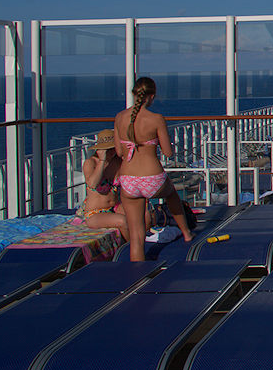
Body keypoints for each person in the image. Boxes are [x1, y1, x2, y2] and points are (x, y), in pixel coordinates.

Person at [114, 77, 193, 261]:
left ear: (134, 94)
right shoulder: (156, 119)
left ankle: (137, 277)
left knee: (136, 237)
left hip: (128, 180)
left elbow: (119, 151)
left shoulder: (119, 117)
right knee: (172, 194)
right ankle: (187, 233)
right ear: (151, 96)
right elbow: (168, 152)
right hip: (152, 178)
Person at [75, 129, 129, 241]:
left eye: (113, 148)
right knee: (123, 221)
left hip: (115, 207)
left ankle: (142, 245)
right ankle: (131, 249)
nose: (111, 152)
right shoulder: (91, 163)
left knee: (143, 215)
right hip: (95, 212)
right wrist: (102, 160)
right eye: (108, 149)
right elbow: (93, 184)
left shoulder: (117, 162)